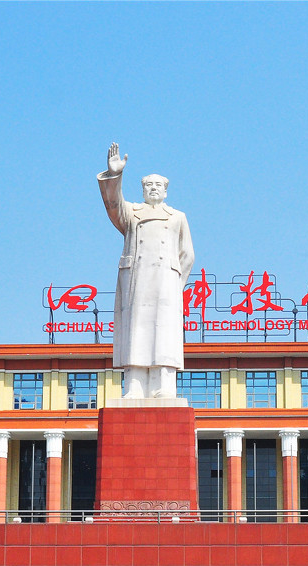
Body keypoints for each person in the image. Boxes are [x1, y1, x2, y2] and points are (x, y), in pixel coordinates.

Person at [98, 142, 194, 399]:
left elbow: (187, 255)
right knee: (137, 328)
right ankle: (135, 384)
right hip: (138, 279)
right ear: (142, 190)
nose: (153, 189)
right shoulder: (132, 213)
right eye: (148, 185)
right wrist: (115, 175)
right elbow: (113, 205)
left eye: (158, 185)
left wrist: (175, 284)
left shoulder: (177, 216)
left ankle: (164, 384)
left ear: (166, 191)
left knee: (163, 330)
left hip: (166, 281)